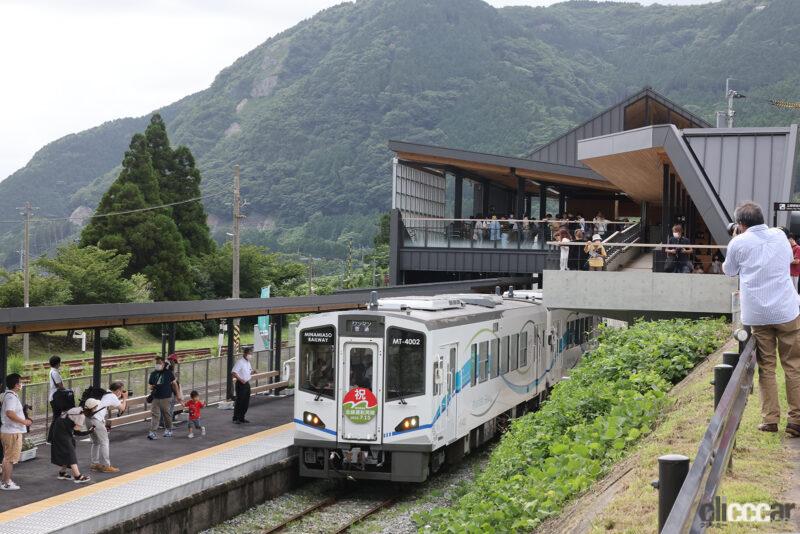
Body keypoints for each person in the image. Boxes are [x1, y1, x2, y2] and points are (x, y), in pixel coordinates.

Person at [723, 201, 800, 436]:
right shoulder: (778, 235)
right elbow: (787, 259)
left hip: (758, 313)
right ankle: (796, 420)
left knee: (767, 366)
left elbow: (729, 270)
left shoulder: (738, 242)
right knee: (793, 366)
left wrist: (735, 238)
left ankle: (770, 419)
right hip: (787, 310)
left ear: (740, 224)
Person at [51, 399, 94, 484]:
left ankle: (62, 473)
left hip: (58, 429)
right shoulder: (81, 415)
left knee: (67, 451)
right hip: (63, 433)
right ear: (92, 408)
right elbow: (76, 432)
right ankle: (78, 476)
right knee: (70, 453)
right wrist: (90, 431)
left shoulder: (77, 409)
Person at [1, 374, 32, 491]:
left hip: (8, 431)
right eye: (20, 382)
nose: (21, 384)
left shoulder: (9, 395)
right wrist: (24, 421)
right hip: (12, 432)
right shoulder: (11, 398)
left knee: (6, 457)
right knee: (10, 459)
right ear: (16, 384)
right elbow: (9, 413)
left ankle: (4, 481)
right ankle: (7, 482)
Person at [88, 381, 127, 473]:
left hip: (88, 418)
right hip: (97, 420)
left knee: (95, 442)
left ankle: (94, 464)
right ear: (118, 390)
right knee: (105, 442)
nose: (121, 392)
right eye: (121, 391)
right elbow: (122, 408)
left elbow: (106, 404)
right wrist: (125, 398)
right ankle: (107, 465)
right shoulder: (112, 396)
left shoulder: (104, 393)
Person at [147, 356, 183, 440]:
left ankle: (168, 429)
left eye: (159, 363)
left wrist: (177, 395)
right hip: (155, 397)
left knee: (166, 414)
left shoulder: (168, 373)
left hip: (166, 397)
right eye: (156, 363)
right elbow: (150, 385)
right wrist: (151, 387)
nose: (157, 365)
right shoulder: (153, 374)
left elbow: (174, 384)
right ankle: (152, 432)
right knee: (155, 414)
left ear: (163, 364)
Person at [232, 347, 254, 424]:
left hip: (247, 383)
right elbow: (234, 373)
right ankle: (236, 418)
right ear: (245, 354)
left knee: (246, 401)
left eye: (251, 354)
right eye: (249, 353)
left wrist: (253, 372)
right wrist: (241, 379)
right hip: (241, 384)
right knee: (239, 401)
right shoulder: (240, 362)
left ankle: (242, 417)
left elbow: (249, 372)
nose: (250, 355)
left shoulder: (248, 362)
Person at [47, 355, 65, 443]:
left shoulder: (52, 371)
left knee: (57, 417)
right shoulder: (55, 373)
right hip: (56, 398)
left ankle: (54, 437)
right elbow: (60, 386)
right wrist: (66, 390)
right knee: (56, 418)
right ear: (58, 363)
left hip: (54, 397)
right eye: (60, 362)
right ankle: (50, 439)